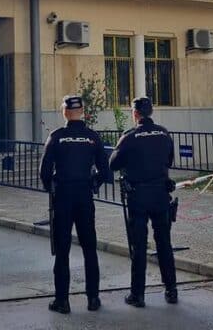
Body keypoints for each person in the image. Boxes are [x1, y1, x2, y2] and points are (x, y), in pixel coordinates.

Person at [39, 95, 109, 314]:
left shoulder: (57, 137)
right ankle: (93, 298)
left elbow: (44, 172)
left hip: (63, 198)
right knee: (90, 248)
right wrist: (93, 183)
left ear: (64, 112)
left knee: (62, 250)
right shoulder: (92, 137)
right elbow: (105, 172)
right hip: (84, 197)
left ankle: (63, 301)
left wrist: (51, 187)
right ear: (83, 111)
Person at [109, 96, 178, 308]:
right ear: (151, 112)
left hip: (138, 197)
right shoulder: (164, 133)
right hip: (160, 195)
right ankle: (171, 290)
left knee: (138, 247)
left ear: (135, 113)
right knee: (164, 244)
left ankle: (137, 294)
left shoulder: (129, 137)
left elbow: (112, 164)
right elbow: (169, 160)